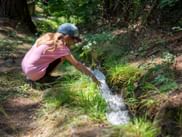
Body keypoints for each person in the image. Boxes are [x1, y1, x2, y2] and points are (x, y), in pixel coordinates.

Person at [21, 23, 99, 85]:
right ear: (67, 37)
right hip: (34, 74)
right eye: (74, 39)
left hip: (26, 69)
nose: (74, 42)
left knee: (59, 56)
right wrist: (93, 77)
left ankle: (40, 76)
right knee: (62, 57)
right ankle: (43, 79)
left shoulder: (47, 37)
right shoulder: (60, 46)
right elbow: (77, 64)